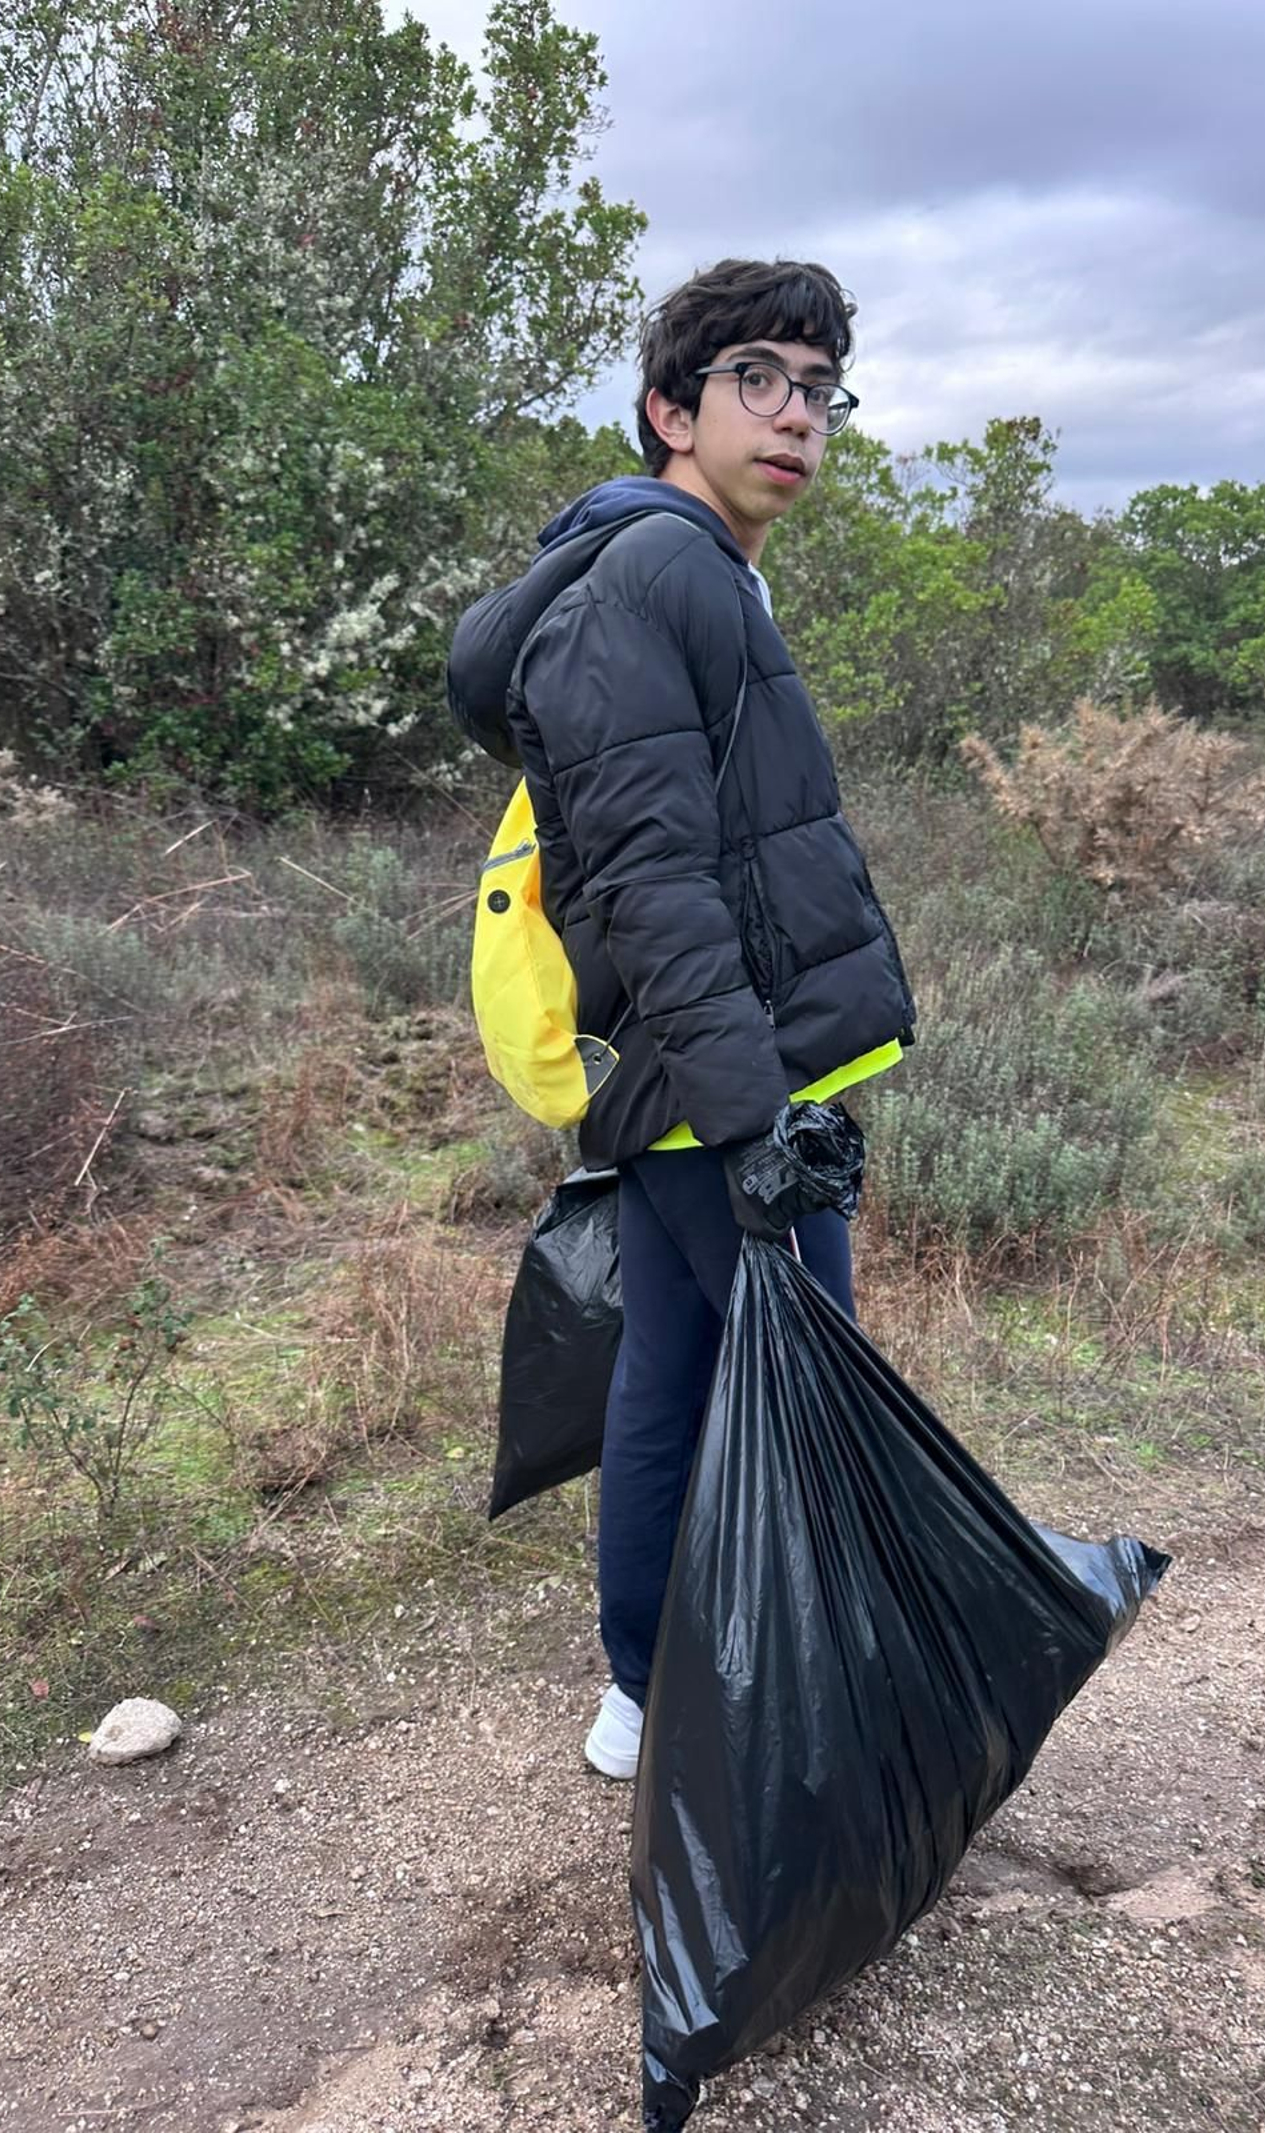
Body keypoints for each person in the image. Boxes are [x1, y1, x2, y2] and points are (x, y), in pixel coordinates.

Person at [447, 257, 915, 1778]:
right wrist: (754, 1115)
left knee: (668, 1367)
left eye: (820, 390)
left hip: (699, 1078)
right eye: (759, 380)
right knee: (814, 1384)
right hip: (724, 1084)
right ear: (671, 407)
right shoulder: (658, 577)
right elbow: (656, 881)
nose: (798, 416)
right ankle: (820, 1708)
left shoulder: (687, 570)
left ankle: (646, 1688)